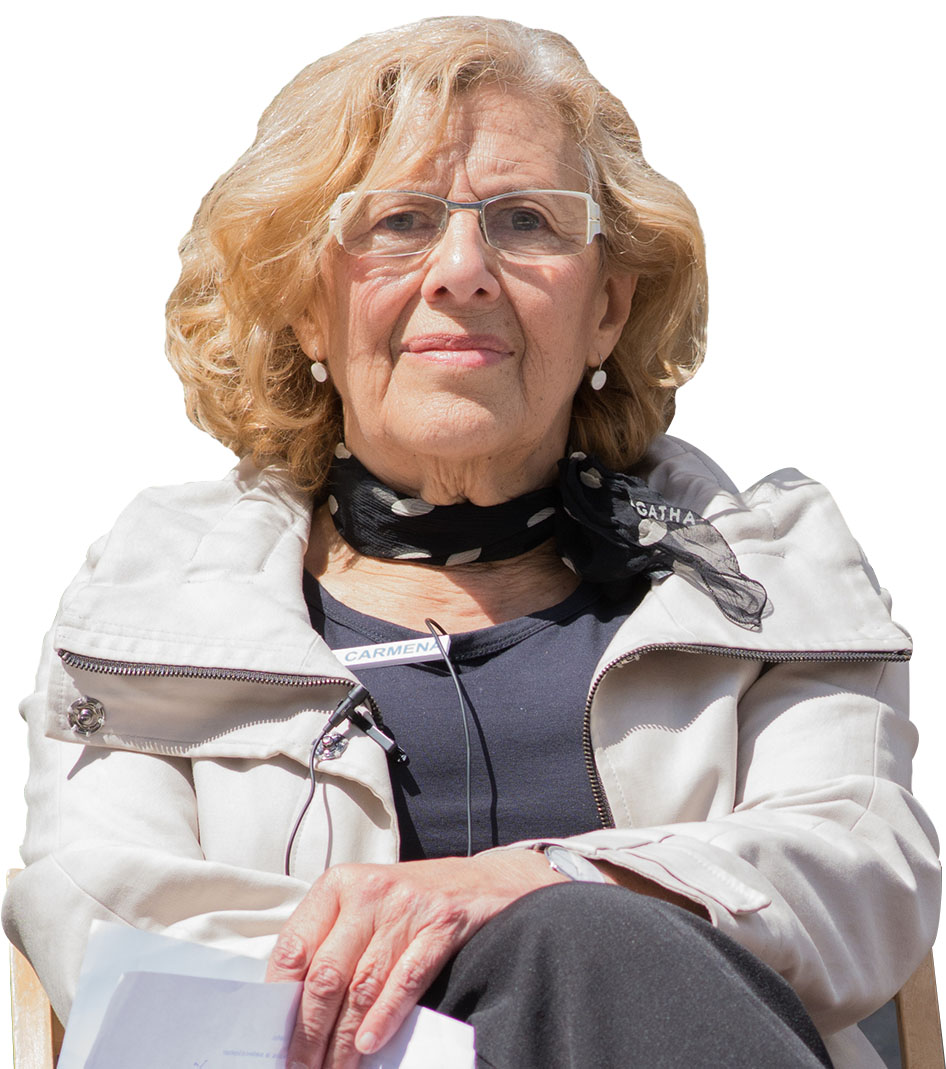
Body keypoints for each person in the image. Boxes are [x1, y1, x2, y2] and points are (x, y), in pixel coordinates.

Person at [2, 15, 939, 1069]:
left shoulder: (760, 574)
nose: (462, 270)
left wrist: (531, 882)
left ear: (607, 308)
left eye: (527, 221)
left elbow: (858, 869)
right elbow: (115, 924)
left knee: (572, 932)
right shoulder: (156, 601)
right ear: (306, 306)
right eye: (398, 221)